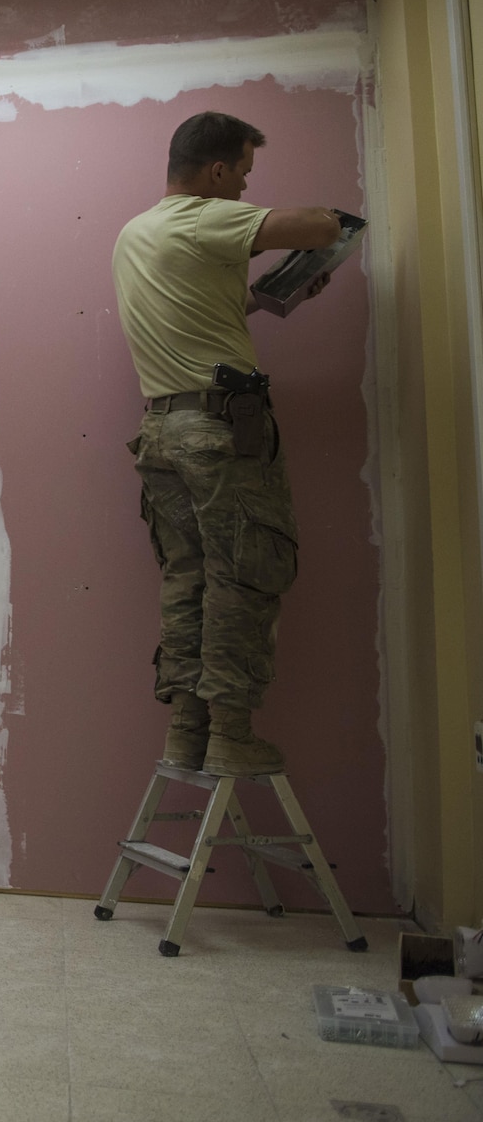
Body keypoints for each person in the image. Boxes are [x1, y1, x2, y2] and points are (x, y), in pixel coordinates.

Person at [112, 111, 344, 777]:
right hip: (219, 430)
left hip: (161, 431)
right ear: (214, 169)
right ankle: (232, 733)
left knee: (189, 579)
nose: (245, 186)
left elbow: (202, 306)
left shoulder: (137, 233)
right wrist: (331, 228)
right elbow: (323, 226)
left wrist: (270, 295)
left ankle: (188, 731)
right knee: (244, 573)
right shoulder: (199, 217)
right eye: (242, 171)